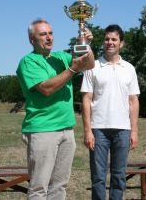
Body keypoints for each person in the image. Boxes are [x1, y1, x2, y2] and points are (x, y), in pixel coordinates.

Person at [16, 18, 95, 200]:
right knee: (39, 187)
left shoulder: (61, 57)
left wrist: (85, 43)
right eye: (43, 34)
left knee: (59, 187)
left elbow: (88, 64)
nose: (49, 37)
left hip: (66, 130)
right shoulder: (28, 62)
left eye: (50, 33)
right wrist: (72, 70)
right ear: (32, 40)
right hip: (42, 130)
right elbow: (46, 88)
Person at [81, 24, 140, 200]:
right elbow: (86, 99)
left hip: (123, 129)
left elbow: (133, 100)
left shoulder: (129, 68)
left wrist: (134, 130)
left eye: (114, 39)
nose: (110, 42)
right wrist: (87, 130)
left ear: (121, 43)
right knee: (98, 177)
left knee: (119, 176)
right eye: (107, 39)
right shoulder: (93, 66)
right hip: (98, 129)